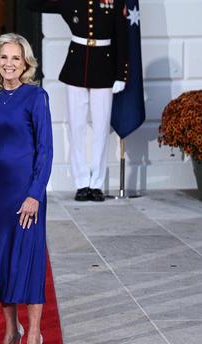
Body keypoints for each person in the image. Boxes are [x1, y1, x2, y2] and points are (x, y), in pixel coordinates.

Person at [0, 33, 53, 344]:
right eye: (3, 57)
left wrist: (35, 193)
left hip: (26, 191)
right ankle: (10, 332)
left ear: (26, 63)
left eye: (16, 58)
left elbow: (45, 150)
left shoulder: (36, 96)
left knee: (29, 262)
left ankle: (34, 334)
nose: (9, 64)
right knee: (2, 260)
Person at [27, 0, 128, 202]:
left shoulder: (114, 1)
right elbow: (34, 5)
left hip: (104, 66)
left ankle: (96, 184)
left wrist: (121, 74)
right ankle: (81, 183)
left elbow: (122, 38)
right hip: (76, 65)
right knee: (76, 127)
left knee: (101, 129)